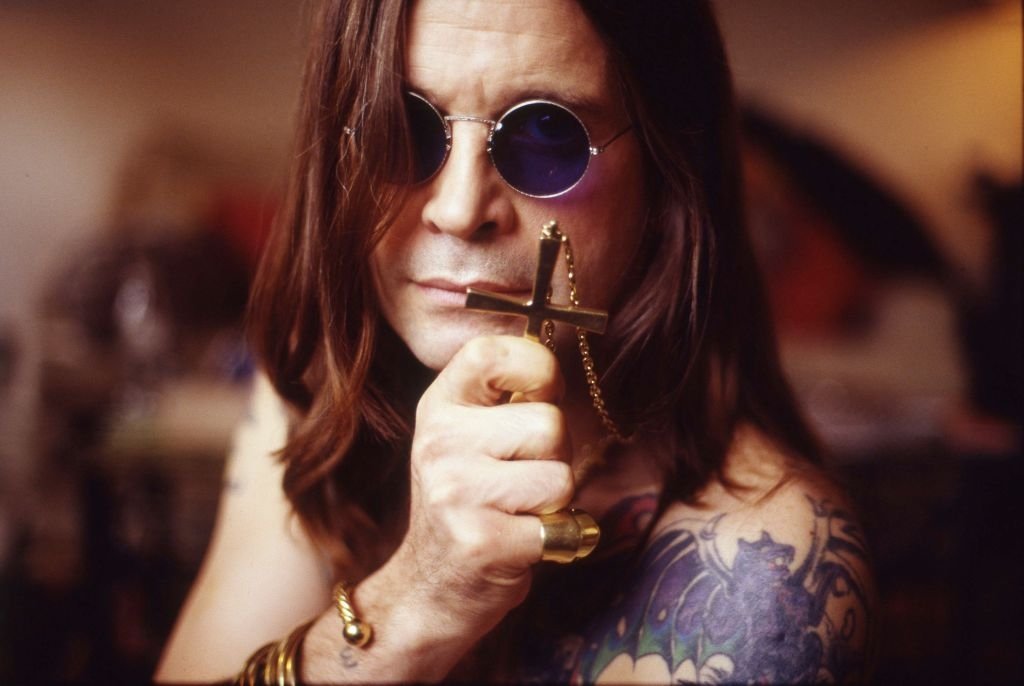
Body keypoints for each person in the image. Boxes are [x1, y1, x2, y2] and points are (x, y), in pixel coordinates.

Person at [156, 0, 876, 682]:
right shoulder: (314, 380)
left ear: (667, 172)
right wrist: (412, 605)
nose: (459, 208)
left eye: (546, 138)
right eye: (399, 128)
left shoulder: (766, 569)